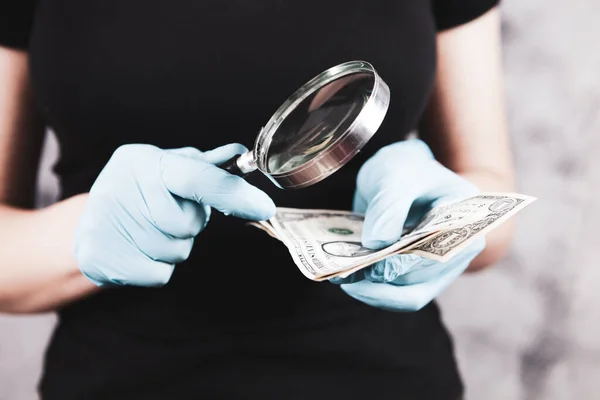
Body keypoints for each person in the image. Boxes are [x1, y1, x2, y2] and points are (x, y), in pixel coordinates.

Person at [0, 0, 516, 399]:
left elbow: (493, 198)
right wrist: (85, 232)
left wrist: (448, 217)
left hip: (387, 379)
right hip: (115, 382)